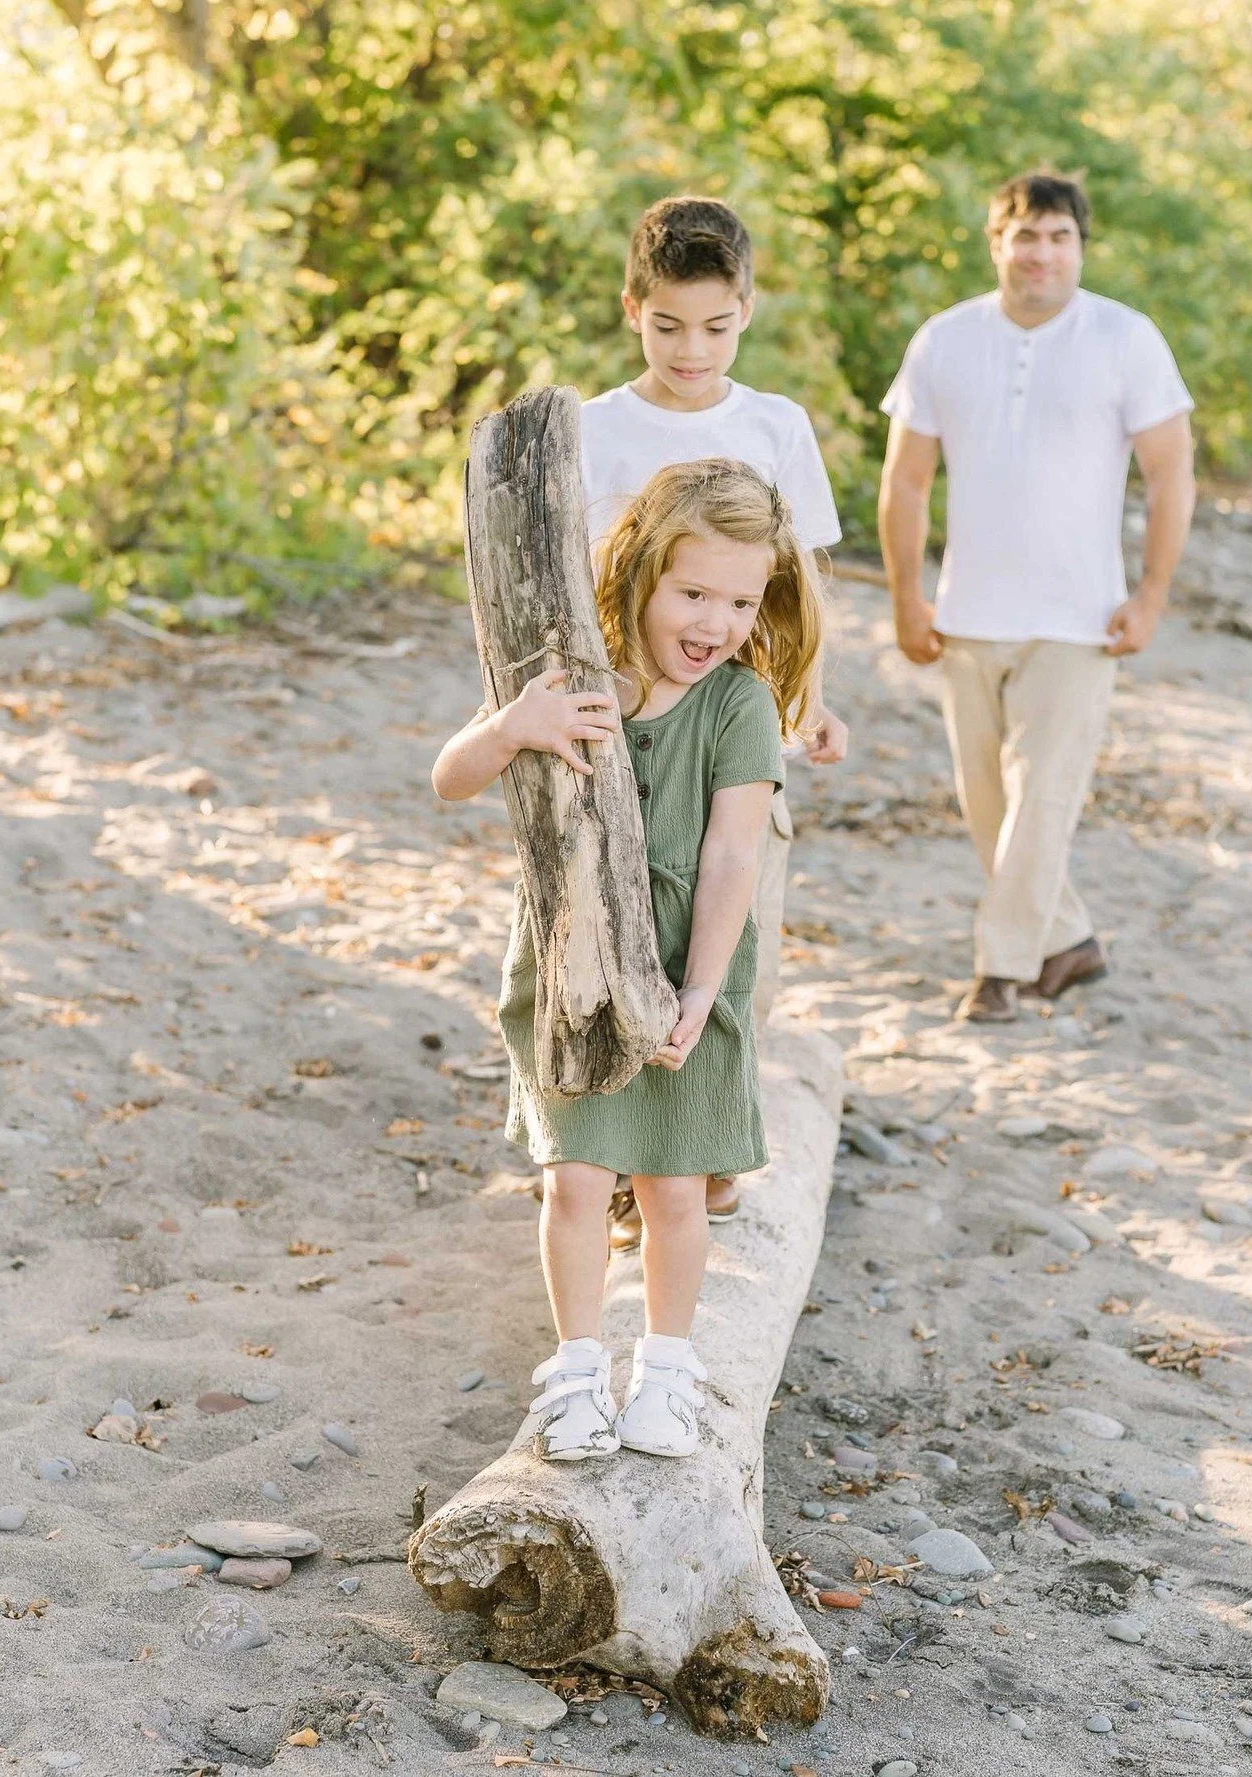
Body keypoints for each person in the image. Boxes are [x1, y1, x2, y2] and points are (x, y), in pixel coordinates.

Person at [431, 459, 822, 1460]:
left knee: (674, 1190)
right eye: (693, 592)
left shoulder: (738, 704)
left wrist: (699, 986)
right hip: (577, 966)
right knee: (573, 1181)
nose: (716, 621)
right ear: (643, 570)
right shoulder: (574, 677)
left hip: (686, 968)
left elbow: (733, 850)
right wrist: (514, 724)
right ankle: (573, 1375)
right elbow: (447, 779)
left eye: (740, 600)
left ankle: (665, 1370)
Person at [581, 193, 847, 1243]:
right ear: (632, 310)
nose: (691, 349)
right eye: (667, 325)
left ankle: (710, 1141)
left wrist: (811, 698)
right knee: (615, 916)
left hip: (736, 720)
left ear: (746, 310)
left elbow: (806, 575)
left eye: (715, 325)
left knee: (735, 925)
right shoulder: (594, 427)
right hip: (623, 722)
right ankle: (613, 1148)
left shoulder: (773, 423)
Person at [877, 170, 1196, 1022]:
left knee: (1042, 798)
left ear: (1080, 247)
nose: (1041, 254)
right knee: (990, 806)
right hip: (967, 613)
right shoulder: (944, 340)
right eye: (1025, 236)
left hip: (1079, 616)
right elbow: (905, 483)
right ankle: (1069, 941)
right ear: (996, 243)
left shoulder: (1126, 339)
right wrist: (908, 597)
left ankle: (1002, 971)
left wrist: (1151, 595)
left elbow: (1171, 476)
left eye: (1060, 238)